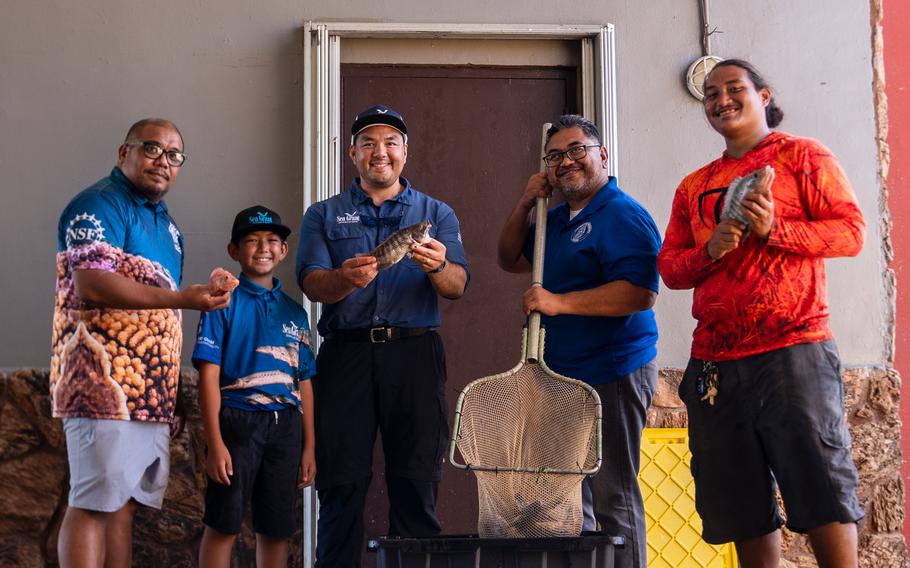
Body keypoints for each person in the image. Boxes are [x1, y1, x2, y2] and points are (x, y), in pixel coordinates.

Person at [657, 59, 866, 568]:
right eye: (711, 93)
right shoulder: (694, 185)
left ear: (764, 96)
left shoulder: (803, 157)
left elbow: (851, 233)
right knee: (740, 502)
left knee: (820, 486)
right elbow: (669, 268)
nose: (721, 99)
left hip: (794, 350)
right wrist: (710, 252)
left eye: (734, 89)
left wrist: (776, 229)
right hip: (715, 364)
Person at [51, 118, 231, 568]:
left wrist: (166, 389)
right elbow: (93, 284)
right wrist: (183, 298)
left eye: (174, 155)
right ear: (123, 152)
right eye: (152, 149)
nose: (163, 161)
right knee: (93, 502)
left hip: (147, 392)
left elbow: (158, 309)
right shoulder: (97, 204)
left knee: (124, 506)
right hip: (101, 385)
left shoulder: (168, 227)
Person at [296, 104, 469, 567]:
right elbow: (311, 281)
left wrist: (437, 267)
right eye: (369, 142)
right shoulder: (323, 214)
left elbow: (458, 285)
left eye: (391, 142)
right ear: (352, 153)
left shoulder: (436, 213)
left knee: (416, 480)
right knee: (341, 483)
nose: (381, 152)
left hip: (414, 354)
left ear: (405, 152)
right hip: (345, 357)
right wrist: (343, 280)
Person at [497, 114, 662, 568]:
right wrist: (526, 202)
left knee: (613, 493)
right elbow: (509, 256)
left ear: (601, 155)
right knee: (569, 495)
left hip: (612, 370)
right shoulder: (558, 218)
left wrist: (558, 303)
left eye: (576, 151)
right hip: (563, 376)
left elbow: (641, 293)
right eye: (555, 156)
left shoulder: (621, 213)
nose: (566, 162)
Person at [192, 205, 317, 568]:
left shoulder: (296, 313)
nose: (262, 248)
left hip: (286, 430)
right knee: (223, 524)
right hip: (237, 424)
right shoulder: (221, 302)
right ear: (234, 250)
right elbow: (209, 377)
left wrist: (309, 446)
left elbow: (305, 382)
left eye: (271, 241)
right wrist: (215, 443)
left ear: (283, 251)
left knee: (276, 529)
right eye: (251, 240)